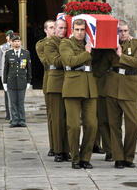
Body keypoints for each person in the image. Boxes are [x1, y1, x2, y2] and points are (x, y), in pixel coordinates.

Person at [105, 20, 137, 169]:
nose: (122, 33)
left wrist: (121, 56)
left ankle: (129, 156)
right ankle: (118, 157)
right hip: (112, 87)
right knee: (114, 125)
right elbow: (105, 63)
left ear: (129, 31)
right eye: (120, 31)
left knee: (134, 125)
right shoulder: (110, 46)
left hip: (130, 89)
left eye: (125, 31)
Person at [59, 19, 98, 169]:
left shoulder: (92, 43)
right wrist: (87, 53)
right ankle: (75, 158)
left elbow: (101, 63)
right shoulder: (66, 44)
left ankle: (85, 158)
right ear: (72, 30)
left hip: (89, 88)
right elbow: (69, 61)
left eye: (82, 30)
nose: (80, 33)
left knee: (91, 125)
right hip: (73, 87)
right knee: (74, 126)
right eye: (77, 29)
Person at [44, 19, 70, 162]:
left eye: (65, 28)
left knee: (67, 119)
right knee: (57, 118)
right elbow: (56, 61)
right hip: (55, 84)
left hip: (68, 83)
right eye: (60, 28)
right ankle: (58, 150)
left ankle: (67, 150)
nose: (62, 30)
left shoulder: (67, 42)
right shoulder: (50, 43)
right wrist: (70, 58)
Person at [35, 20, 56, 157]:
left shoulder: (64, 42)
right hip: (50, 80)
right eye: (51, 27)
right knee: (52, 116)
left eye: (55, 27)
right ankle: (53, 145)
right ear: (45, 30)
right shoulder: (41, 44)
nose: (54, 30)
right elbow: (46, 61)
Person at [3, 34, 32, 128]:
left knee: (20, 102)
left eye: (18, 41)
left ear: (21, 42)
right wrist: (4, 82)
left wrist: (28, 81)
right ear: (12, 43)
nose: (17, 43)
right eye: (15, 41)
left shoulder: (26, 53)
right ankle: (14, 120)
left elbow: (29, 68)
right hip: (11, 81)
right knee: (13, 102)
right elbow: (5, 69)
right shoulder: (8, 53)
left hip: (22, 81)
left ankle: (22, 120)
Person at [92, 49, 113, 161]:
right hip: (99, 87)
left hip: (112, 87)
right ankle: (109, 149)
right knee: (102, 120)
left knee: (109, 121)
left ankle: (110, 149)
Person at [0, 30, 13, 120]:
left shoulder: (17, 46)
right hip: (5, 74)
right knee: (7, 94)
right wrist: (0, 73)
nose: (10, 38)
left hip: (15, 73)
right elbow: (0, 62)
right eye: (9, 36)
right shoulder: (2, 47)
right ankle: (8, 113)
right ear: (6, 37)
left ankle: (14, 113)